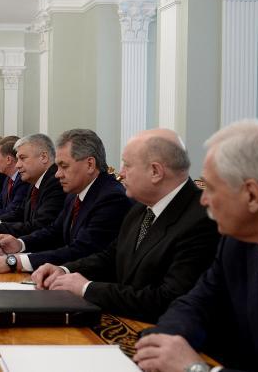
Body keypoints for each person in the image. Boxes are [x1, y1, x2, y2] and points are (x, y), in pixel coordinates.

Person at [134, 120, 258, 372]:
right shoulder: (237, 243)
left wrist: (195, 369)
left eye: (210, 187)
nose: (203, 199)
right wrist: (161, 344)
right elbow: (195, 304)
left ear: (252, 195)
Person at [32, 128, 219, 322]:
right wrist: (64, 270)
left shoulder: (201, 220)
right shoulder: (140, 207)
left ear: (155, 171)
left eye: (127, 165)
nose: (120, 174)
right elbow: (111, 257)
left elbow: (167, 299)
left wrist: (87, 288)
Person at [0, 129, 130, 275]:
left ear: (89, 164)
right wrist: (20, 244)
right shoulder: (75, 191)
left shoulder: (111, 197)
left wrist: (16, 262)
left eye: (64, 166)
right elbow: (54, 231)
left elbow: (82, 250)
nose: (57, 174)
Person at [0, 133, 66, 237]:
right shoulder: (34, 181)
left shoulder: (55, 183)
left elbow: (41, 226)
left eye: (22, 158)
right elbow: (20, 213)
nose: (17, 165)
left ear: (44, 157)